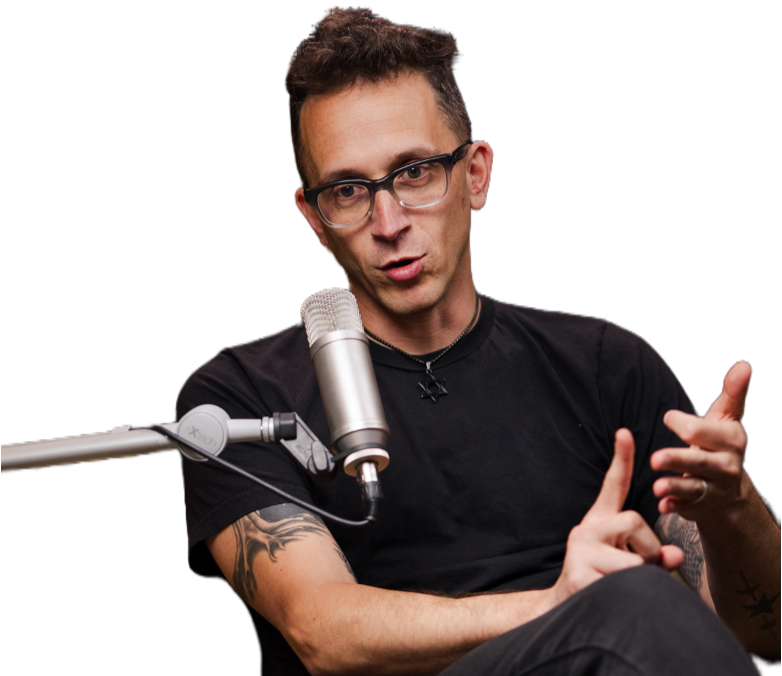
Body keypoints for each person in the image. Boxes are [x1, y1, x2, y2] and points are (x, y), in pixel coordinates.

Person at [176, 7, 780, 675]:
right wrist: (565, 601)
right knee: (636, 600)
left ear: (475, 174)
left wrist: (733, 510)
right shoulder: (239, 399)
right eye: (349, 190)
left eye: (413, 173)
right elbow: (324, 633)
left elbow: (763, 636)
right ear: (315, 218)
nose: (388, 221)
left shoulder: (607, 365)